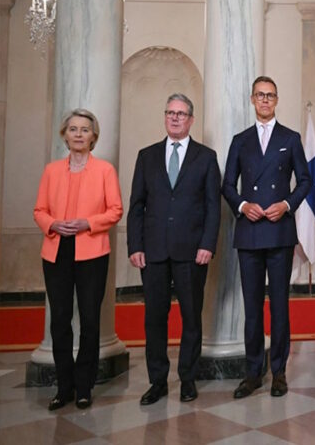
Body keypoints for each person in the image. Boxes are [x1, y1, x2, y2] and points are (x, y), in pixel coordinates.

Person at [127, 94, 221, 405]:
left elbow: (213, 207)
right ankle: (157, 381)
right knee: (154, 318)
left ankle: (188, 379)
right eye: (170, 113)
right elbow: (137, 205)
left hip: (192, 251)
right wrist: (135, 245)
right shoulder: (147, 156)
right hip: (153, 251)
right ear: (165, 117)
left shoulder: (206, 157)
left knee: (191, 318)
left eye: (181, 114)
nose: (175, 118)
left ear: (191, 119)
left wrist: (208, 244)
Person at [222, 76, 311, 398]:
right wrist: (243, 206)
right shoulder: (240, 140)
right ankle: (253, 372)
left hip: (279, 230)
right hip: (249, 232)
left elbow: (305, 180)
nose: (264, 100)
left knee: (280, 306)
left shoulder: (291, 138)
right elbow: (227, 185)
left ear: (276, 100)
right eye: (260, 95)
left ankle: (279, 371)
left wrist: (286, 204)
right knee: (252, 307)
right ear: (252, 99)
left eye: (270, 95)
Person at [33, 109, 123, 411]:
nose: (79, 134)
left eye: (85, 129)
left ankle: (84, 387)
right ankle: (64, 387)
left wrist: (88, 223)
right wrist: (52, 224)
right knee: (59, 320)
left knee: (89, 320)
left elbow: (115, 210)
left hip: (92, 251)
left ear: (93, 136)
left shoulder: (105, 171)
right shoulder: (51, 171)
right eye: (73, 129)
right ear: (65, 135)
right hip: (56, 250)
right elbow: (39, 210)